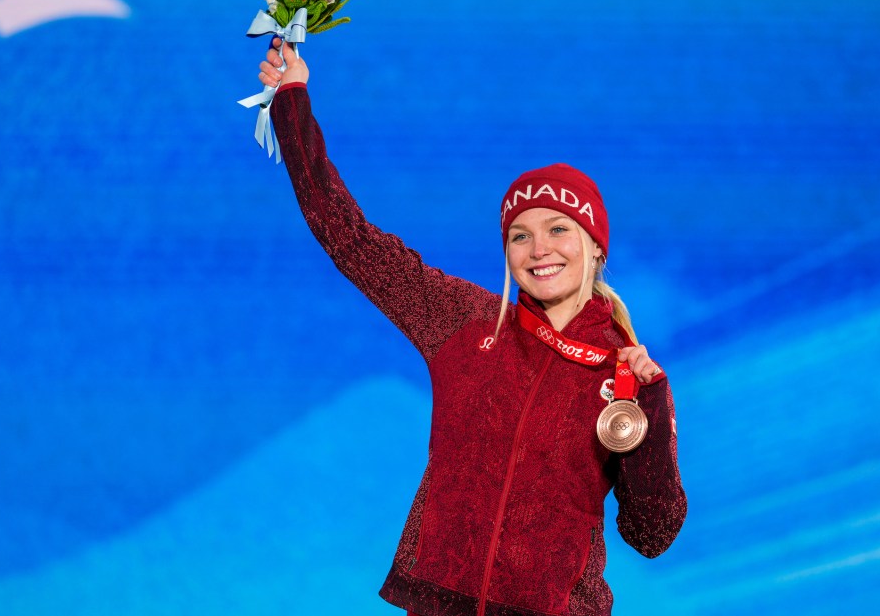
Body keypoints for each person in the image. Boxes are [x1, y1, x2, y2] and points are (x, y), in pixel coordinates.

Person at [257, 39, 687, 616]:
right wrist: (292, 102)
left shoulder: (625, 374)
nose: (540, 249)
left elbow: (652, 534)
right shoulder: (463, 320)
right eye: (520, 235)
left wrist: (651, 411)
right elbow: (348, 235)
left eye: (559, 229)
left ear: (595, 246)